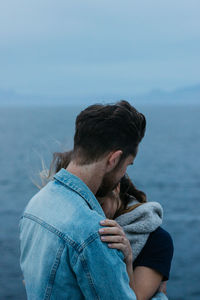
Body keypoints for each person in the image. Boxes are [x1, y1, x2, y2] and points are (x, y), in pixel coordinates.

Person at [19, 100, 166, 299]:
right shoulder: (95, 232)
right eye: (128, 165)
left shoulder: (36, 205)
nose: (123, 174)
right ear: (113, 159)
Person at [47, 152, 173, 299]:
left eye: (99, 204)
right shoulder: (72, 228)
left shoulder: (156, 240)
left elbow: (135, 297)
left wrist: (127, 258)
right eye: (85, 207)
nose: (92, 214)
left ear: (116, 188)